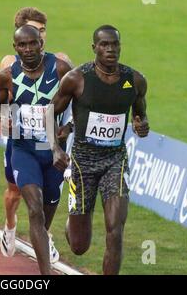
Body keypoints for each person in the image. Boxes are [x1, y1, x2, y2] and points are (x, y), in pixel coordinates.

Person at [47, 25, 149, 275]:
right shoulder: (77, 78)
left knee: (115, 229)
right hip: (83, 162)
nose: (110, 49)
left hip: (115, 160)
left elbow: (140, 113)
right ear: (94, 48)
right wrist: (55, 149)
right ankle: (73, 220)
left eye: (115, 44)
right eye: (104, 44)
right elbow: (51, 111)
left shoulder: (134, 80)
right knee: (80, 246)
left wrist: (141, 124)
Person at [0, 7, 73, 263]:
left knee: (45, 202)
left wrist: (68, 127)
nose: (33, 44)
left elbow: (76, 101)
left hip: (53, 146)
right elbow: (1, 105)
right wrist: (3, 117)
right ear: (17, 43)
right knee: (15, 193)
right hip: (21, 143)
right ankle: (10, 226)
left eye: (40, 34)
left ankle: (43, 235)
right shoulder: (7, 69)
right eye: (26, 41)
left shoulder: (61, 65)